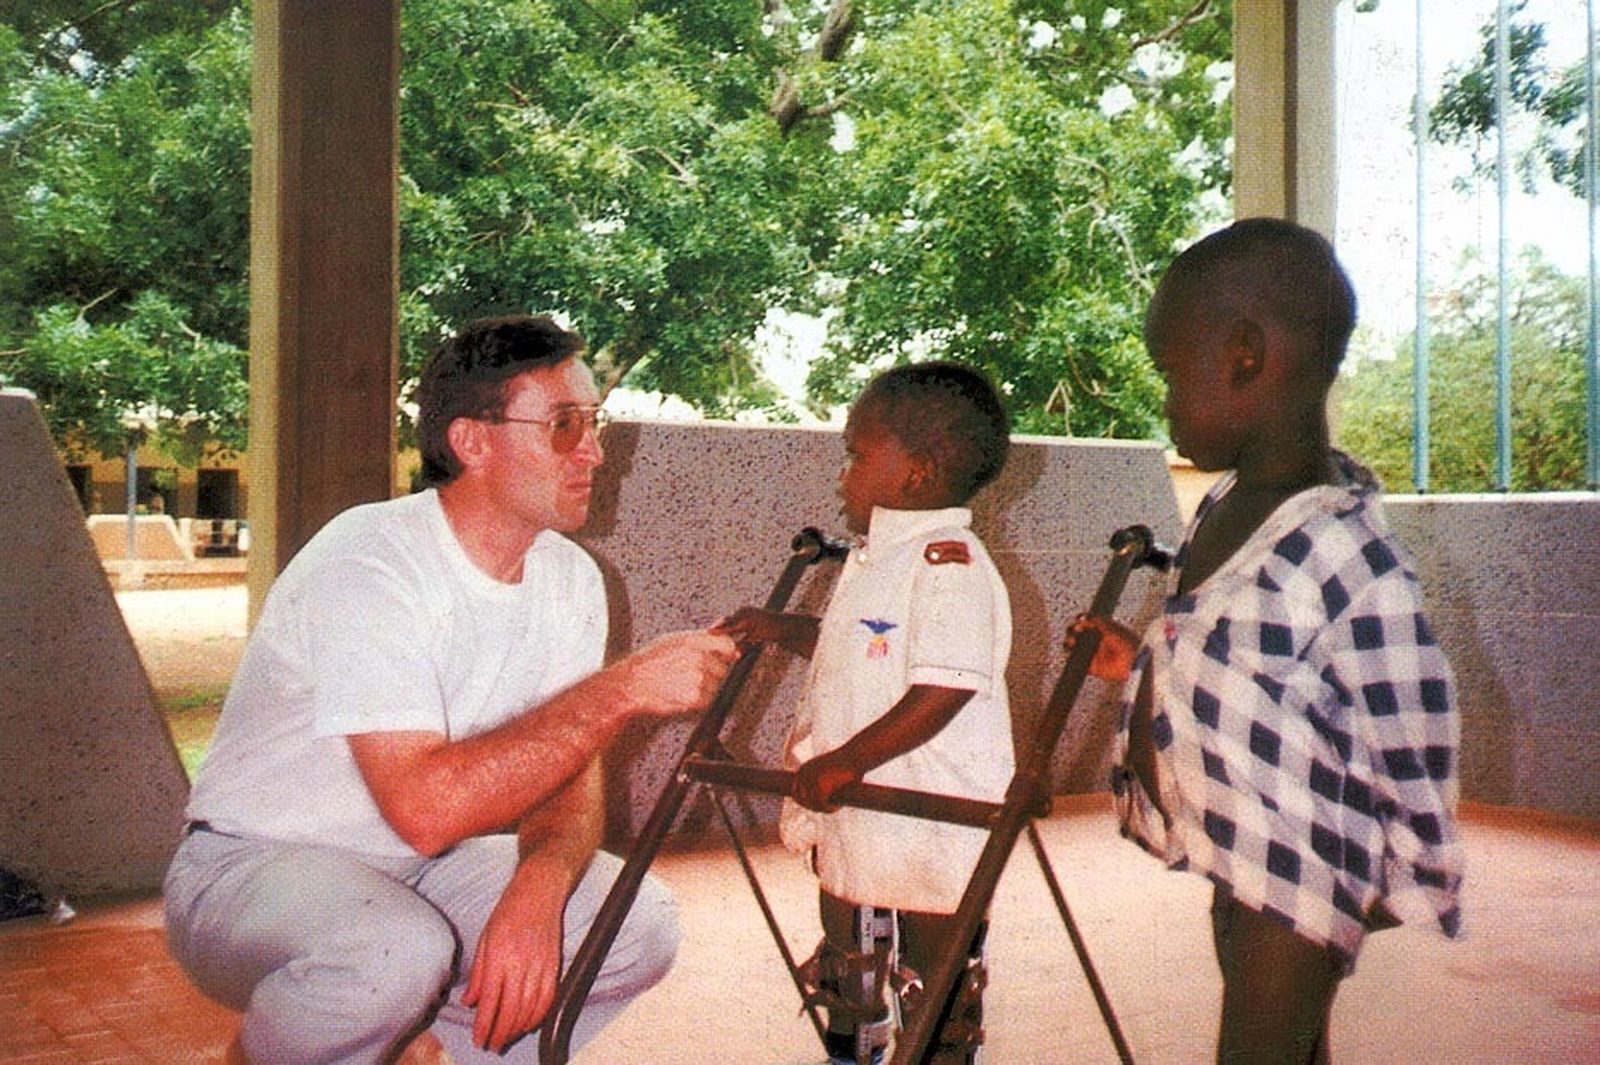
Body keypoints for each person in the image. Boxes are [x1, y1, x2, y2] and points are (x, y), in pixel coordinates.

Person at [163, 315, 740, 1064]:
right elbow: (426, 811)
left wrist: (538, 887)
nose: (596, 452)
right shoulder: (370, 561)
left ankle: (417, 1045)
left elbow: (568, 776)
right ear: (472, 442)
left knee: (633, 924)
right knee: (392, 952)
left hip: (420, 873)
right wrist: (620, 689)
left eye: (596, 422)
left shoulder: (570, 578)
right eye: (565, 425)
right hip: (252, 870)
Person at [1074, 218, 1465, 1064]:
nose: (1167, 401)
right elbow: (1228, 653)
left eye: (1171, 374)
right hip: (1238, 849)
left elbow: (1411, 714)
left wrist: (1406, 868)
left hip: (1301, 868)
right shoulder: (1226, 509)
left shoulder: (1347, 550)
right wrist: (1135, 666)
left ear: (1244, 355)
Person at [717, 363, 1013, 1065]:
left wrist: (848, 758)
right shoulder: (879, 556)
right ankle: (853, 1047)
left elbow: (944, 686)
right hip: (863, 805)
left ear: (916, 473)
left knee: (935, 967)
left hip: (930, 808)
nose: (842, 472)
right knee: (850, 936)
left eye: (855, 454)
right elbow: (861, 649)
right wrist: (788, 629)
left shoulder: (951, 564)